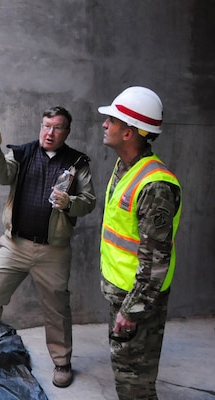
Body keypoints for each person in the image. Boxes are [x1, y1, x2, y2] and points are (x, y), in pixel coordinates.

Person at [0, 106, 96, 388]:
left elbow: (89, 201)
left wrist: (69, 203)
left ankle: (62, 363)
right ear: (40, 126)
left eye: (58, 127)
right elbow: (2, 175)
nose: (50, 132)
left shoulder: (77, 162)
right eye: (46, 125)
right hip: (15, 244)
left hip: (53, 250)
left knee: (57, 306)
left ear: (66, 132)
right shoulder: (23, 153)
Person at [97, 86, 182, 400]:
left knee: (135, 387)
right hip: (123, 294)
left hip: (138, 303)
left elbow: (155, 262)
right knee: (125, 375)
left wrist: (130, 312)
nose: (105, 125)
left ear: (130, 133)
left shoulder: (155, 185)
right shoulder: (125, 168)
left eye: (112, 120)